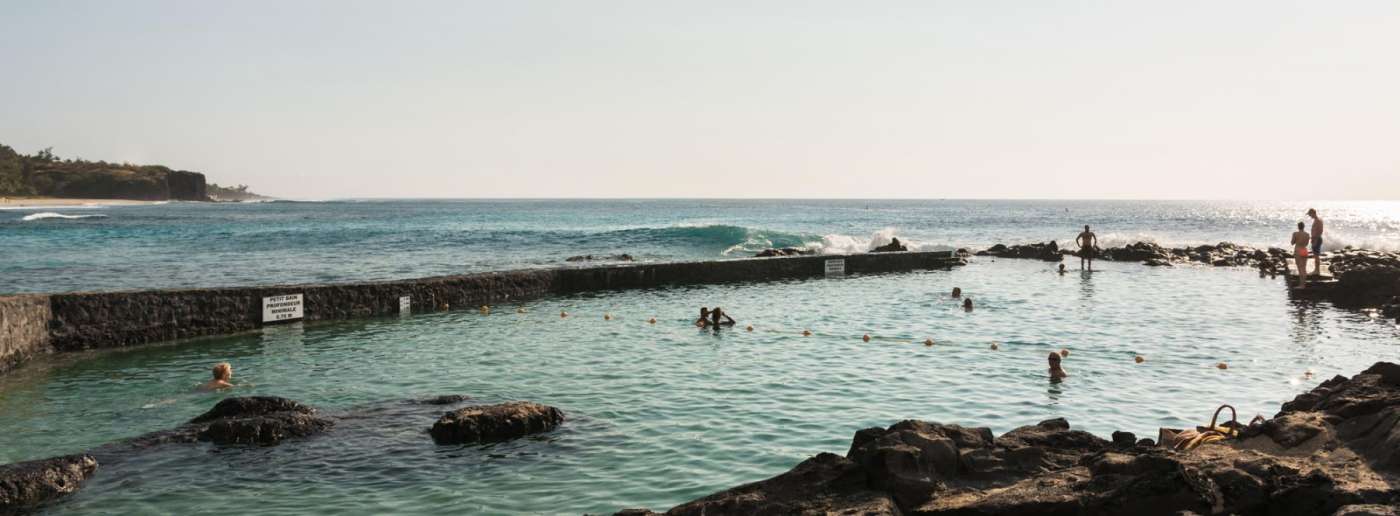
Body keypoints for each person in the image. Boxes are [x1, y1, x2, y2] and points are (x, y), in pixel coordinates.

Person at [1291, 222, 1311, 289]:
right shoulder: (1307, 234)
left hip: (1298, 250)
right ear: (1304, 226)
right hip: (1304, 250)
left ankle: (1301, 285)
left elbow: (1292, 243)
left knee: (1300, 268)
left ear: (1298, 227)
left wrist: (1296, 239)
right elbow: (1307, 244)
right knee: (1304, 268)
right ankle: (1303, 284)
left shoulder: (1295, 234)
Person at [1307, 208, 1324, 276]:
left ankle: (1317, 271)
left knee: (1316, 256)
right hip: (1315, 239)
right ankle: (1316, 270)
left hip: (1317, 239)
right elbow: (1316, 231)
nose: (1309, 216)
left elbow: (1320, 231)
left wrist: (1315, 239)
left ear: (1313, 213)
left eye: (1310, 214)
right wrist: (1312, 238)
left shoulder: (1318, 220)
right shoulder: (1317, 220)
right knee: (1315, 255)